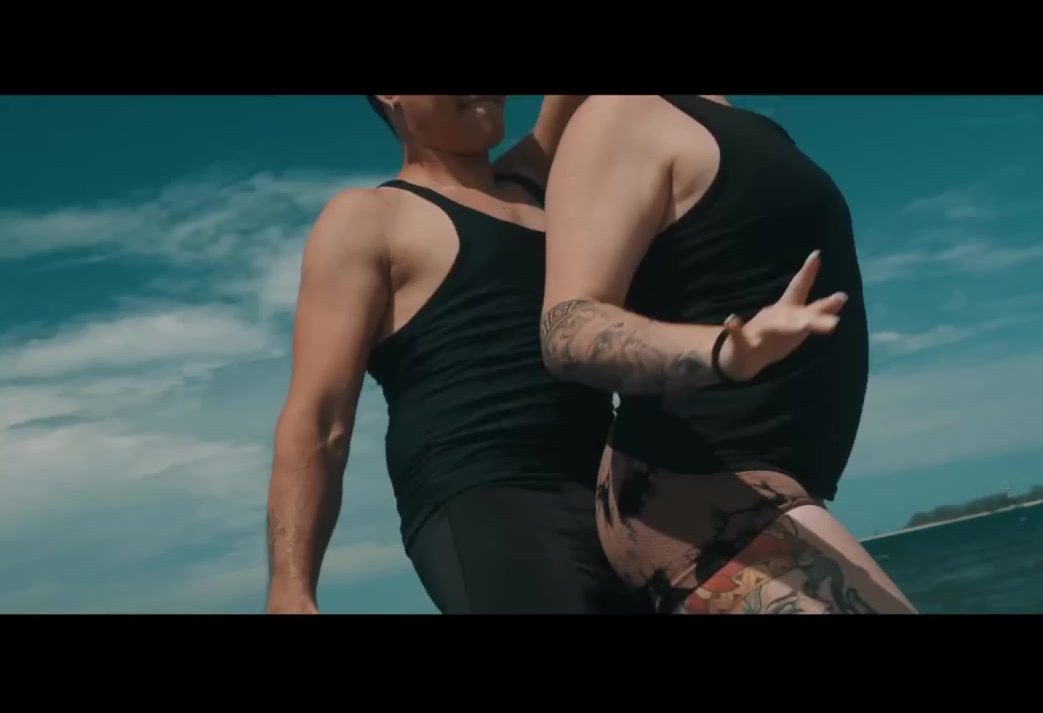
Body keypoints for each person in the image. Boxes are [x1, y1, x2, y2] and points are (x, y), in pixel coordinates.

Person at [265, 95, 648, 614]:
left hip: (615, 497)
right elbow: (320, 418)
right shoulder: (369, 219)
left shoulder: (535, 184)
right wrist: (290, 588)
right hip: (486, 500)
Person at [538, 94, 918, 614]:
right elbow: (567, 327)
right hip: (696, 491)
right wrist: (724, 351)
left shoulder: (751, 128)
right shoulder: (623, 113)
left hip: (763, 494)